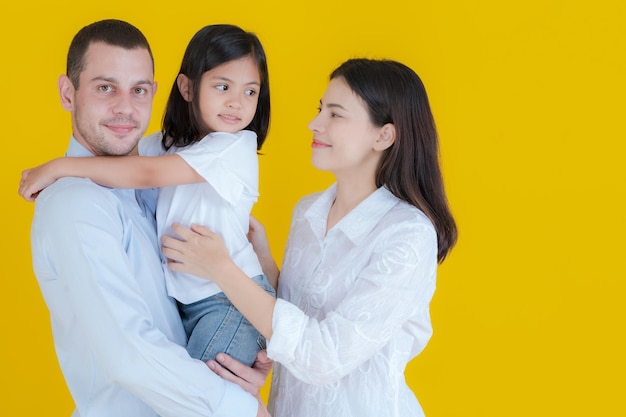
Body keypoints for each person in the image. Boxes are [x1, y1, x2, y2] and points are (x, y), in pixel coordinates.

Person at [160, 58, 458, 417]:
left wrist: (222, 269)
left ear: (384, 135)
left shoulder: (407, 236)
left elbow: (324, 356)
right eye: (320, 109)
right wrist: (264, 264)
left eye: (335, 114)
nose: (314, 124)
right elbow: (298, 318)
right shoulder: (308, 211)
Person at [21, 19, 270, 417]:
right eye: (105, 88)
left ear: (155, 92)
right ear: (69, 94)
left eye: (138, 90)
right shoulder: (76, 203)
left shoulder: (156, 182)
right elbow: (129, 354)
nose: (125, 107)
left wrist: (233, 366)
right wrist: (242, 408)